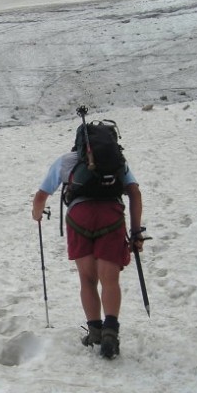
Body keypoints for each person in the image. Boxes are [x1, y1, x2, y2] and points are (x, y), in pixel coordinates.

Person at [31, 140, 145, 359]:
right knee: (110, 280)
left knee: (88, 279)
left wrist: (37, 215)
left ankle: (95, 332)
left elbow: (40, 197)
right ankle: (111, 331)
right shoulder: (116, 161)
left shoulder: (65, 161)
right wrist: (136, 230)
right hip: (111, 215)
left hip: (78, 218)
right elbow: (135, 193)